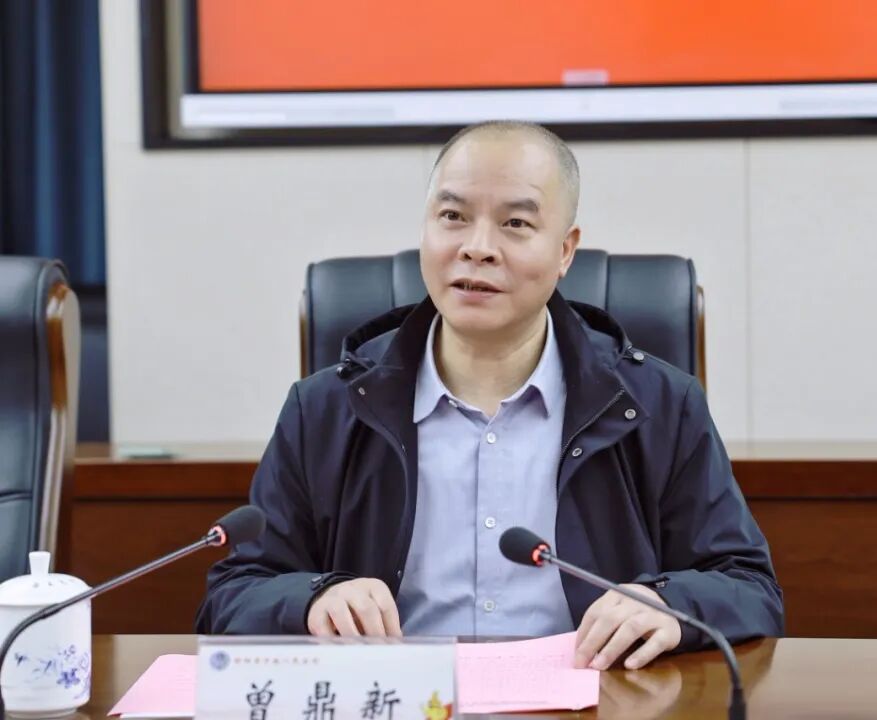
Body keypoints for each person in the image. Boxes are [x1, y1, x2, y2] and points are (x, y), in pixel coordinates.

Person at [196, 121, 783, 671]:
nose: (477, 247)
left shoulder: (658, 404)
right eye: (453, 216)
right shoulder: (325, 408)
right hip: (397, 698)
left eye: (516, 223)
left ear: (565, 251)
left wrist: (666, 602)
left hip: (594, 700)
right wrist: (313, 598)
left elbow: (749, 587)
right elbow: (233, 594)